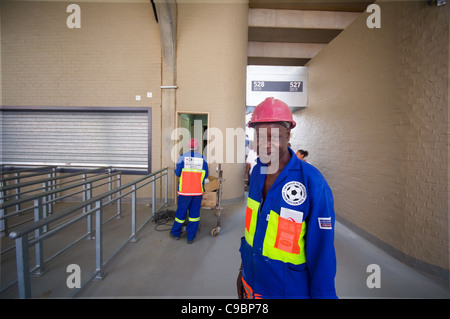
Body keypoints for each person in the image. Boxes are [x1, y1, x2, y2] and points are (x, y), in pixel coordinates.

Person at [237, 97, 337, 299]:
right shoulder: (256, 172)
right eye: (259, 136)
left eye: (274, 137)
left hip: (287, 290)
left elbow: (322, 251)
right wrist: (242, 272)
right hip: (252, 282)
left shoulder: (312, 181)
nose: (265, 145)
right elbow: (254, 231)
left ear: (288, 134)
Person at [170, 138, 208, 244]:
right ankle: (190, 237)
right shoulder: (203, 158)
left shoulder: (182, 157)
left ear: (188, 147)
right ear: (197, 147)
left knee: (181, 212)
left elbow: (177, 173)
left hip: (184, 191)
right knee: (194, 214)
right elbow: (206, 174)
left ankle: (176, 233)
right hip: (197, 191)